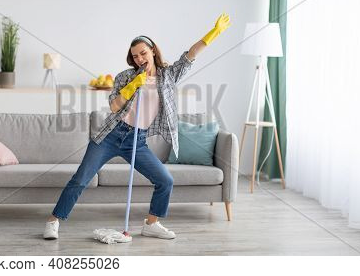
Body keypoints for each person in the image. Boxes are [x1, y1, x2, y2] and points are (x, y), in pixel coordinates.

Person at [43, 13, 231, 240]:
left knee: (165, 180)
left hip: (137, 140)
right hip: (110, 136)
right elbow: (114, 106)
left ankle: (151, 224)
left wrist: (213, 33)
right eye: (135, 56)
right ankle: (54, 221)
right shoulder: (125, 76)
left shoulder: (168, 75)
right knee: (80, 179)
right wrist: (133, 86)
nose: (140, 58)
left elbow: (190, 55)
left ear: (153, 51)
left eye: (143, 53)